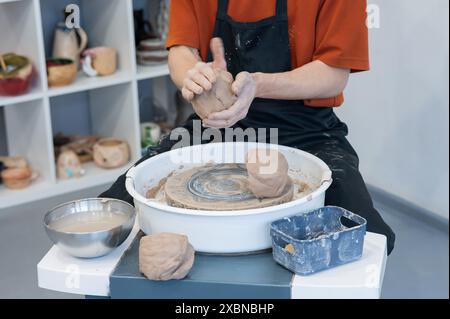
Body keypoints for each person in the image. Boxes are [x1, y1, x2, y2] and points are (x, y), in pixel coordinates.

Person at [101, 0, 395, 254]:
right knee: (113, 212)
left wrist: (258, 84)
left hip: (306, 129)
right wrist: (192, 75)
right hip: (216, 126)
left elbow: (334, 74)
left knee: (366, 237)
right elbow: (180, 51)